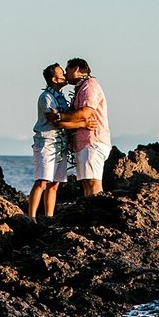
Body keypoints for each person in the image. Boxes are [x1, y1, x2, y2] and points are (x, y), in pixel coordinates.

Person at [48, 57, 111, 196]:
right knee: (86, 184)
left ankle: (97, 214)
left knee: (93, 183)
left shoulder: (90, 85)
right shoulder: (81, 87)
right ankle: (90, 215)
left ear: (76, 69)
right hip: (83, 143)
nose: (65, 74)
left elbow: (85, 112)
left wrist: (60, 116)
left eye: (67, 70)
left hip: (93, 140)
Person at [27, 63, 73, 220]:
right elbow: (53, 119)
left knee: (55, 184)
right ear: (54, 78)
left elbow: (58, 116)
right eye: (62, 73)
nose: (65, 76)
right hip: (46, 143)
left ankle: (49, 217)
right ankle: (31, 217)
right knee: (41, 181)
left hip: (60, 145)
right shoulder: (46, 97)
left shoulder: (60, 98)